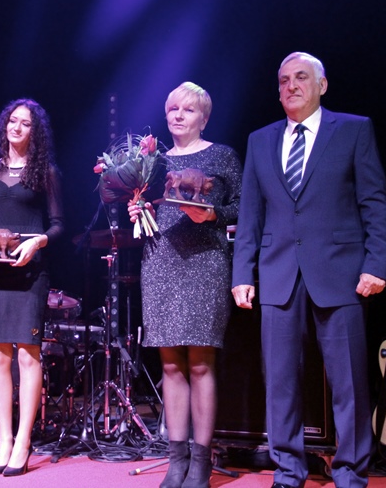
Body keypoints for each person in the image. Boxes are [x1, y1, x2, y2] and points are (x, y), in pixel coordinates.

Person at [231, 52, 386, 488]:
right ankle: (288, 470)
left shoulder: (353, 130)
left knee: (349, 382)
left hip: (341, 271)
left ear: (322, 85)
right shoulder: (260, 140)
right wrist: (242, 273)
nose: (291, 86)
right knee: (280, 380)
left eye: (301, 77)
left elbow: (375, 203)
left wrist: (376, 264)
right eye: (283, 80)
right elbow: (250, 215)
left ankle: (350, 471)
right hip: (278, 273)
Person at [129, 82, 242, 488]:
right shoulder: (152, 162)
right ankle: (175, 460)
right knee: (171, 365)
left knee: (200, 363)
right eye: (173, 108)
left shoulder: (222, 155)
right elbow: (145, 205)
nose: (178, 115)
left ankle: (200, 462)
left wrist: (211, 215)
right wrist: (138, 209)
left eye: (188, 110)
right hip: (160, 262)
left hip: (205, 262)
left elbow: (242, 207)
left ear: (204, 118)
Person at [0, 99, 64, 477]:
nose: (16, 127)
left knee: (27, 355)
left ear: (35, 132)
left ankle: (24, 440)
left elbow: (58, 224)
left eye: (25, 123)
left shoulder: (46, 172)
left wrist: (37, 241)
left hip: (29, 270)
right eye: (12, 120)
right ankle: (4, 440)